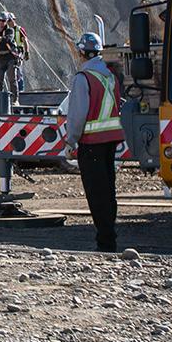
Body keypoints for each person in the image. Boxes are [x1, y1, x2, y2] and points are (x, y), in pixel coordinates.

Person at [64, 31, 125, 252]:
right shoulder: (109, 76)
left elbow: (77, 115)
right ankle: (109, 238)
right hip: (110, 140)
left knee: (97, 193)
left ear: (82, 53)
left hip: (91, 143)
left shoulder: (84, 78)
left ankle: (105, 242)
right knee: (108, 191)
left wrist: (70, 141)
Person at [0, 11, 28, 97]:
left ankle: (16, 97)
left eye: (4, 21)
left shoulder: (11, 30)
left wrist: (26, 52)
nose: (2, 22)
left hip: (11, 56)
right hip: (1, 57)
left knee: (13, 78)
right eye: (0, 20)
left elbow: (8, 40)